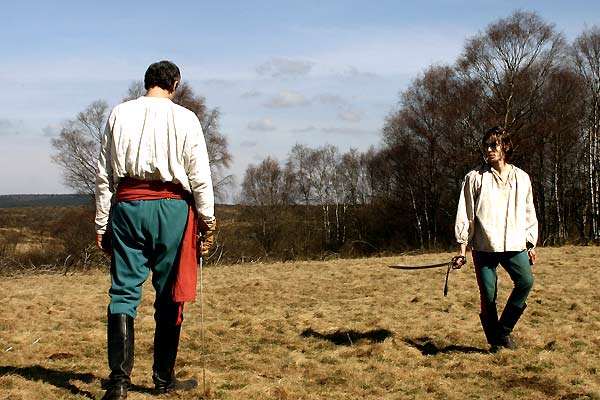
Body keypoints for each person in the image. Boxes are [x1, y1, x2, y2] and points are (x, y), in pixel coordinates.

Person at [95, 60, 216, 399]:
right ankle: (163, 381)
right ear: (174, 84)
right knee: (170, 294)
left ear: (146, 82)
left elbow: (105, 174)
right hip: (172, 210)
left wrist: (102, 222)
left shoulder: (119, 114)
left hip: (128, 207)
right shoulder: (186, 118)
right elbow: (200, 174)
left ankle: (119, 383)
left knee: (122, 292)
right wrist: (207, 220)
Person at [454, 126, 538, 352]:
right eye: (487, 145)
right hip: (484, 247)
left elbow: (529, 212)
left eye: (494, 145)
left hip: (514, 244)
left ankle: (504, 330)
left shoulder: (521, 178)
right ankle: (495, 343)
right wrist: (462, 250)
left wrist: (530, 243)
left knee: (526, 282)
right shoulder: (475, 178)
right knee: (488, 295)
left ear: (505, 147)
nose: (489, 150)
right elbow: (466, 214)